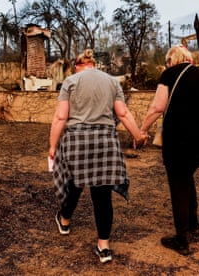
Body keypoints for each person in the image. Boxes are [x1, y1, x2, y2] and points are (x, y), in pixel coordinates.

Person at [49, 49, 145, 263]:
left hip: (77, 140)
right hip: (105, 141)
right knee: (102, 194)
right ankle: (104, 247)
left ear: (77, 66)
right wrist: (137, 135)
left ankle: (64, 222)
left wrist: (52, 145)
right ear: (94, 65)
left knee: (73, 184)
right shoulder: (112, 81)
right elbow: (123, 113)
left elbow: (60, 117)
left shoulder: (70, 82)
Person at [138, 45, 199, 256]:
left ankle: (181, 239)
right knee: (187, 176)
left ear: (172, 59)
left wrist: (142, 130)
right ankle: (193, 223)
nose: (167, 65)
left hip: (178, 141)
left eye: (167, 62)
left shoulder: (169, 74)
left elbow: (157, 107)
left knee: (178, 184)